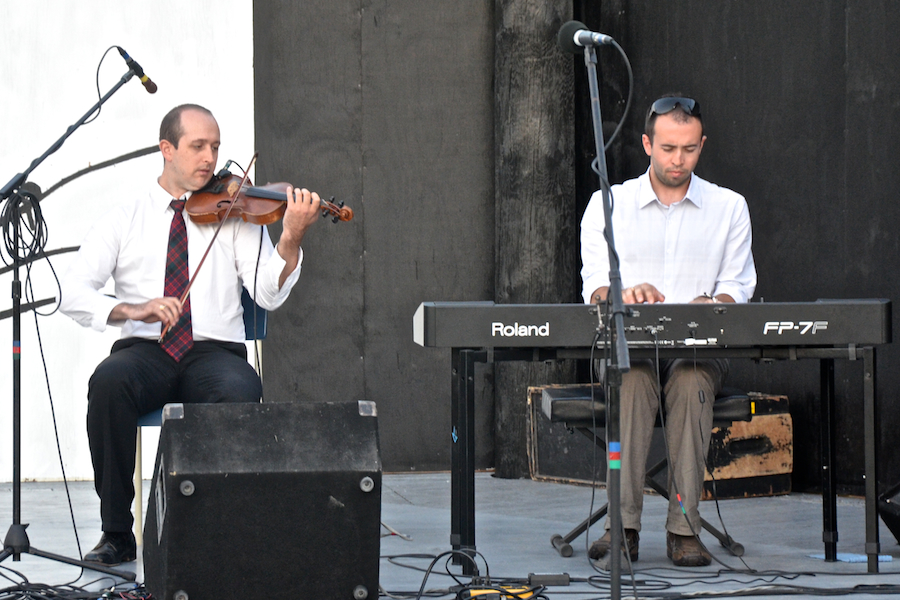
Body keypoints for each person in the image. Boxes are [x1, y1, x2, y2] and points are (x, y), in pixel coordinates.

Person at [59, 104, 323, 566]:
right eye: (198, 146)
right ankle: (117, 532)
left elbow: (267, 294)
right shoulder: (127, 217)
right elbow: (72, 292)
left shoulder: (238, 210)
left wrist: (290, 240)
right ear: (167, 149)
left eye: (216, 147)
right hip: (147, 349)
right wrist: (132, 309)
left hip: (214, 353)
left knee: (241, 387)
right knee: (108, 383)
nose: (210, 157)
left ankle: (213, 528)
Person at [579, 95, 756, 567]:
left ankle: (684, 527)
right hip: (626, 347)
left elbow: (737, 288)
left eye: (690, 149)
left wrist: (711, 303)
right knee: (632, 379)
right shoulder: (606, 206)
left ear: (702, 146)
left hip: (698, 350)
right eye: (668, 148)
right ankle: (623, 526)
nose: (678, 160)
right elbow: (593, 290)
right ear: (646, 144)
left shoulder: (730, 207)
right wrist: (621, 294)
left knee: (693, 379)